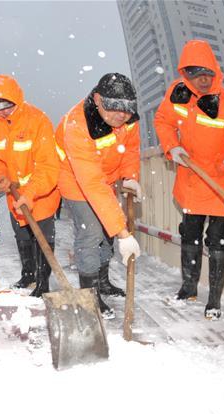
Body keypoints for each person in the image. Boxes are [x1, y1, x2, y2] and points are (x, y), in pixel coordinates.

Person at [154, 39, 224, 319]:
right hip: (190, 178)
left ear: (214, 71)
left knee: (217, 238)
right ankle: (188, 287)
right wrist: (170, 145)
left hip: (220, 184)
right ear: (184, 73)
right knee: (189, 232)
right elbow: (163, 120)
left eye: (206, 73)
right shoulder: (177, 94)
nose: (201, 80)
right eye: (193, 73)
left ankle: (214, 300)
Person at [55, 73, 143, 317]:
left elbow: (131, 149)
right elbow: (91, 182)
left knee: (107, 231)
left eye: (126, 109)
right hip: (75, 180)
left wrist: (129, 176)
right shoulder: (77, 124)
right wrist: (124, 233)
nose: (120, 115)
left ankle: (102, 281)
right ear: (97, 99)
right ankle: (90, 295)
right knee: (91, 232)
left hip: (105, 179)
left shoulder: (129, 120)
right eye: (113, 107)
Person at [0, 74, 60, 297]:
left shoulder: (37, 120)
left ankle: (43, 283)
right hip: (14, 191)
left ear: (16, 100)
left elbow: (48, 165)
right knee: (21, 233)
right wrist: (0, 175)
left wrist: (31, 192)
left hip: (41, 190)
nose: (3, 112)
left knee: (41, 235)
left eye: (8, 106)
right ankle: (28, 274)